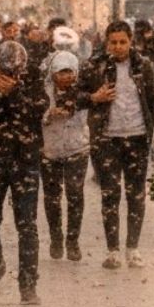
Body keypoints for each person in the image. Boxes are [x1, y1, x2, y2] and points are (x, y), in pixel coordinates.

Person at [78, 20, 154, 269]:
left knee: (136, 194)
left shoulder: (143, 66)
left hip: (137, 138)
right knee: (110, 194)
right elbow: (75, 96)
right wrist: (94, 97)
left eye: (123, 42)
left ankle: (133, 248)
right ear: (107, 43)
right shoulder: (95, 66)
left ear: (131, 42)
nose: (118, 47)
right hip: (106, 139)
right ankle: (113, 250)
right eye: (114, 42)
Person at [0, 41, 48, 304]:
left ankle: (28, 283)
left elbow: (38, 109)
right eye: (5, 72)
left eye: (15, 73)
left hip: (24, 157)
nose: (9, 76)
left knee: (27, 224)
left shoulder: (33, 74)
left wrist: (15, 92)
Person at [40, 50, 89, 262]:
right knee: (52, 197)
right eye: (61, 72)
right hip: (49, 151)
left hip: (77, 149)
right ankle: (56, 237)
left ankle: (73, 240)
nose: (66, 77)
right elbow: (33, 115)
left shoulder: (82, 92)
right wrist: (48, 114)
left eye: (70, 72)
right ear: (53, 73)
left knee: (75, 194)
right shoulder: (43, 93)